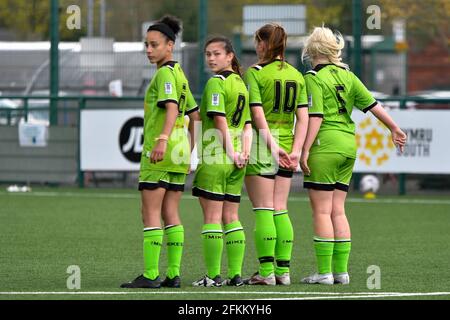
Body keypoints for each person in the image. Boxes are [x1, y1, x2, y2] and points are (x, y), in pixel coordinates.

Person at [299, 26, 407, 285]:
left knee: (321, 212)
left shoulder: (313, 77)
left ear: (311, 48)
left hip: (325, 145)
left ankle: (324, 272)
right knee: (338, 210)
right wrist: (394, 127)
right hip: (348, 145)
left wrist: (304, 150)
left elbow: (316, 116)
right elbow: (373, 105)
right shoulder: (347, 75)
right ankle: (342, 272)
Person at [121, 15, 200, 289]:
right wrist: (191, 151)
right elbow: (196, 115)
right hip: (178, 154)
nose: (149, 50)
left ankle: (152, 274)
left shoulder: (165, 73)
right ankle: (174, 274)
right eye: (146, 45)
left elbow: (172, 109)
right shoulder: (180, 74)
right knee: (171, 214)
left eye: (154, 45)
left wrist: (163, 138)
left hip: (161, 151)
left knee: (150, 213)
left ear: (170, 45)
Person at [243, 23, 309, 285]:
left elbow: (257, 115)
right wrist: (295, 151)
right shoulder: (297, 75)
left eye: (257, 41)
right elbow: (302, 118)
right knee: (281, 209)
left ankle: (266, 272)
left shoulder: (256, 73)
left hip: (263, 145)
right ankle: (283, 272)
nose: (256, 46)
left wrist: (271, 146)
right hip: (288, 145)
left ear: (264, 44)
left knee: (263, 209)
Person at [191, 36, 252, 287]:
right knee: (232, 216)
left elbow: (219, 121)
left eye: (216, 53)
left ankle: (213, 276)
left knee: (213, 218)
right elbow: (248, 125)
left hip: (217, 157)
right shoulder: (241, 84)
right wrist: (244, 153)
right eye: (208, 54)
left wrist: (231, 152)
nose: (211, 58)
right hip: (237, 162)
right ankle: (235, 275)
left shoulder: (216, 83)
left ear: (230, 56)